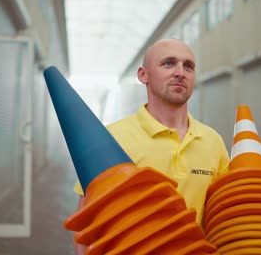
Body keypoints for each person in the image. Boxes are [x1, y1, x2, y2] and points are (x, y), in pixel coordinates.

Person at [73, 38, 229, 254]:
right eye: (168, 63)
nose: (180, 72)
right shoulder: (112, 138)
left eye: (188, 66)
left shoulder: (213, 141)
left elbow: (223, 218)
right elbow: (86, 223)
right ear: (143, 75)